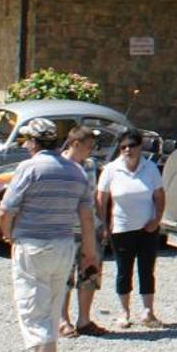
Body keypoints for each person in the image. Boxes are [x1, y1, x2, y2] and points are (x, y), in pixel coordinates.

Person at [0, 117, 98, 352]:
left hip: (33, 244)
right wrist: (89, 253)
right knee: (52, 307)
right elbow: (87, 218)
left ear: (33, 142)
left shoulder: (29, 168)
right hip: (64, 244)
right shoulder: (76, 172)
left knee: (33, 311)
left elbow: (6, 209)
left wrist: (9, 235)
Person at [96, 130, 164, 328]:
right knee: (123, 270)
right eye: (123, 146)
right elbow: (102, 198)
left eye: (132, 146)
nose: (128, 150)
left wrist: (157, 219)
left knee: (147, 269)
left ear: (140, 146)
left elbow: (159, 196)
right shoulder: (111, 169)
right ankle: (124, 312)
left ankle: (148, 311)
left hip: (147, 227)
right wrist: (105, 224)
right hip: (121, 227)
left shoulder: (150, 168)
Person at [58, 126, 109, 338]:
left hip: (91, 228)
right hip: (66, 229)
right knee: (63, 276)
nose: (91, 151)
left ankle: (84, 319)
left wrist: (103, 222)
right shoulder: (58, 166)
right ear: (75, 144)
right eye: (89, 147)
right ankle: (62, 320)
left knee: (90, 274)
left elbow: (96, 195)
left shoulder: (91, 166)